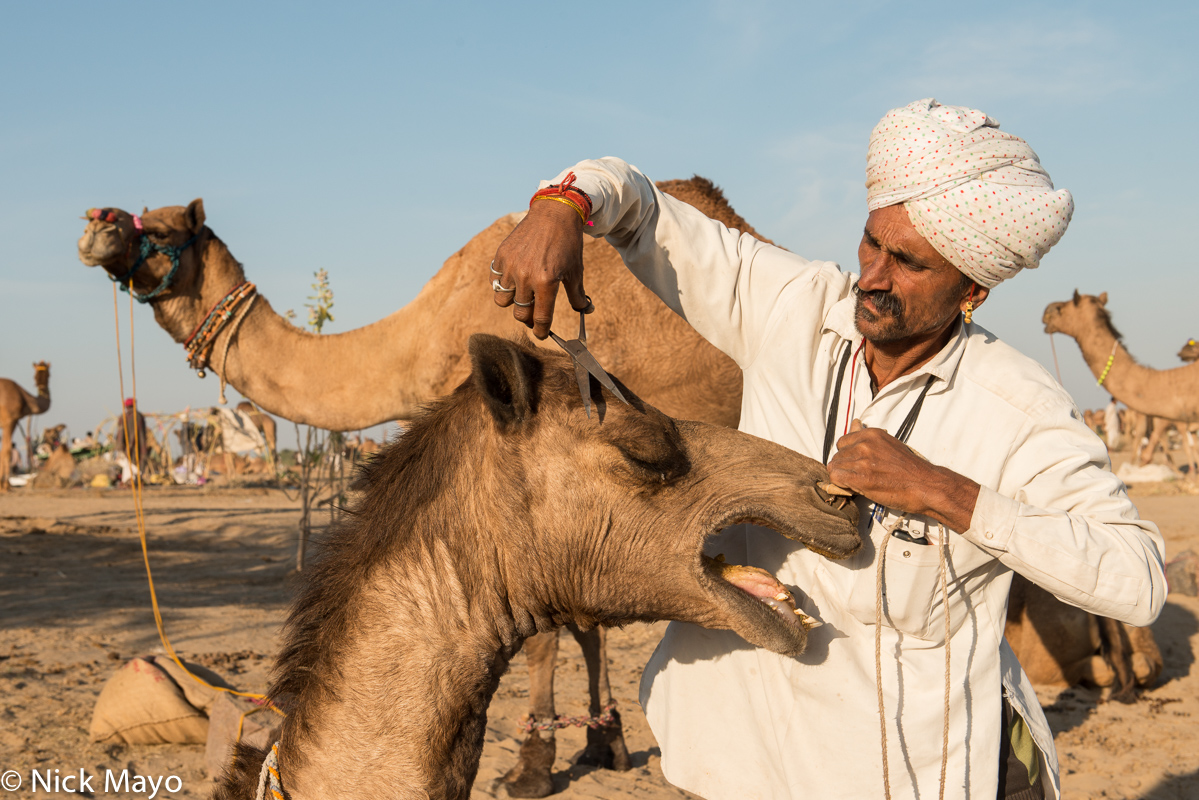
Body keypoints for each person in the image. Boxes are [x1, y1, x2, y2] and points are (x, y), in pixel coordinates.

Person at [490, 99, 1166, 800]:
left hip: (899, 775)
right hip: (734, 759)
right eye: (871, 243)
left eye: (906, 263)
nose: (871, 277)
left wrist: (948, 494)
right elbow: (638, 205)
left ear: (972, 289)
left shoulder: (1016, 409)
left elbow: (1138, 578)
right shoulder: (794, 307)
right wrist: (560, 206)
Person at [113, 397, 148, 485]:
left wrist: (125, 446)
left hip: (133, 446)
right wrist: (130, 445)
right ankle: (131, 481)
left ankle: (131, 481)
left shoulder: (124, 417)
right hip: (137, 446)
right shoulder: (136, 416)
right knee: (134, 463)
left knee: (132, 464)